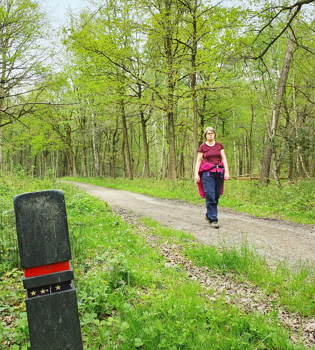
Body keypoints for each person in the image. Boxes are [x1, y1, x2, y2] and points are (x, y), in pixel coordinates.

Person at [195, 127, 229, 229]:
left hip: (219, 173)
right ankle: (213, 219)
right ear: (205, 135)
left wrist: (227, 172)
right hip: (207, 174)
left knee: (216, 196)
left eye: (212, 133)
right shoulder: (203, 146)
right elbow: (199, 160)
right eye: (208, 133)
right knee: (210, 194)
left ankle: (209, 214)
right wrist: (196, 174)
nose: (210, 135)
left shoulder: (219, 146)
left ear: (214, 134)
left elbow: (224, 158)